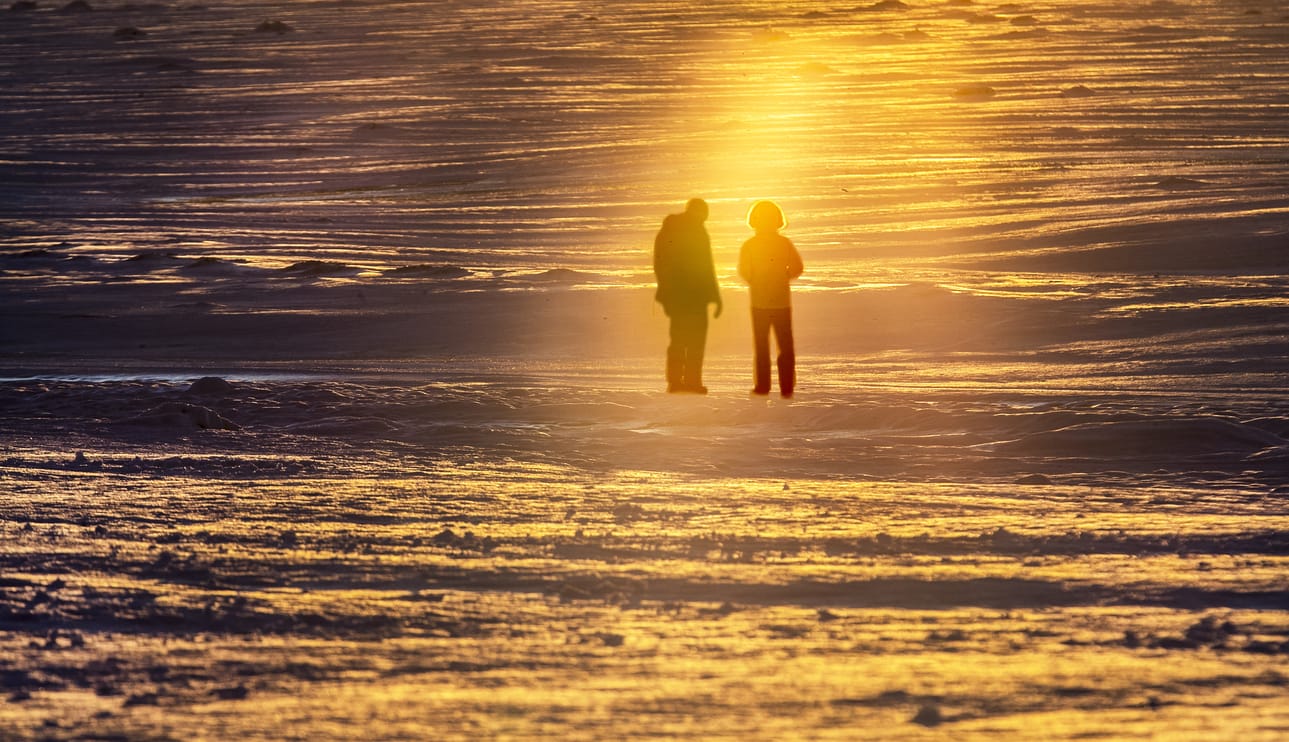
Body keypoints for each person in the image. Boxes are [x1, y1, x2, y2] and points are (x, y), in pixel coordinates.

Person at [653, 198, 722, 394]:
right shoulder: (684, 230)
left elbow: (707, 267)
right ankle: (684, 382)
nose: (704, 219)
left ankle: (682, 382)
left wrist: (715, 297)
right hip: (687, 297)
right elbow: (662, 264)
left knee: (683, 339)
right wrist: (715, 297)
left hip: (686, 297)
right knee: (690, 340)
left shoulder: (690, 229)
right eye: (703, 215)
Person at [738, 200, 803, 398]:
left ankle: (762, 386)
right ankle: (786, 387)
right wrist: (783, 277)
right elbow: (797, 267)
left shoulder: (750, 244)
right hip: (781, 301)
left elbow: (744, 270)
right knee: (785, 346)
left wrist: (756, 281)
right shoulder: (784, 243)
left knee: (761, 346)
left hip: (759, 301)